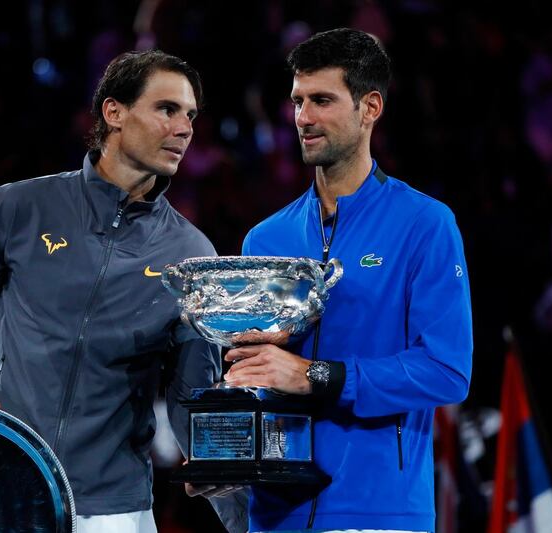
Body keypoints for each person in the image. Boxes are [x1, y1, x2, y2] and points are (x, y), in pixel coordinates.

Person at [0, 50, 235, 533]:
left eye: (190, 115)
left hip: (116, 510)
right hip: (3, 487)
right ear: (114, 112)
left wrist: (228, 484)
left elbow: (192, 390)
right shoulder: (15, 207)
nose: (185, 128)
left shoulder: (192, 254)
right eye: (167, 109)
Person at [223, 28, 473, 532]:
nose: (303, 118)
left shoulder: (425, 224)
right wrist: (225, 451)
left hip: (378, 511)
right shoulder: (264, 238)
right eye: (297, 101)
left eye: (322, 100)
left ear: (370, 107)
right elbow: (255, 374)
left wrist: (316, 375)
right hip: (276, 516)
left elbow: (446, 370)